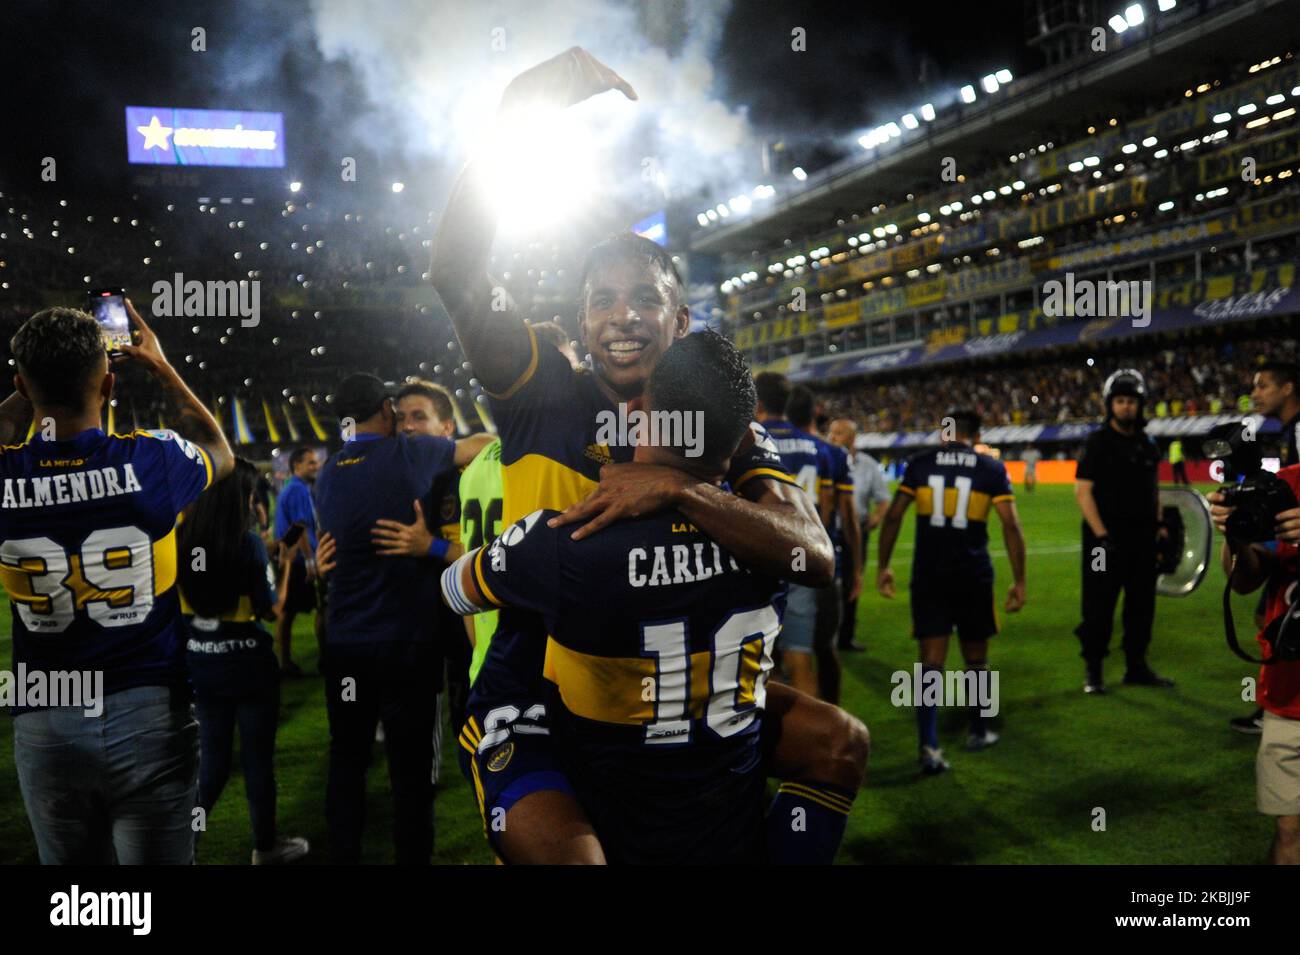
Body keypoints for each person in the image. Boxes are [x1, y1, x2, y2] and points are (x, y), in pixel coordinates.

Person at [429, 45, 865, 866]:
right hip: (545, 687)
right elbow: (454, 269)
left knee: (836, 741)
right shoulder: (538, 390)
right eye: (600, 301)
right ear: (581, 321)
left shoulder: (709, 410)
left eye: (642, 299)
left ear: (681, 317)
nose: (619, 317)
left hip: (672, 685)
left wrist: (674, 484)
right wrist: (518, 118)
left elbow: (809, 547)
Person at [443, 332, 825, 863]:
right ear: (742, 443)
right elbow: (815, 552)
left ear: (639, 412)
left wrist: (520, 561)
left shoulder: (564, 541)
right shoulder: (770, 541)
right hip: (711, 755)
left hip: (594, 752)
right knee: (840, 742)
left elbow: (456, 590)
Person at [2, 301, 233, 864]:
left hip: (46, 713)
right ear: (108, 383)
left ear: (22, 385)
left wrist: (30, 388)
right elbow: (221, 451)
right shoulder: (151, 458)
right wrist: (160, 365)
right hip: (149, 706)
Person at [312, 373, 488, 864]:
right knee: (410, 778)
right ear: (386, 410)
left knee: (346, 763)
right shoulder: (411, 454)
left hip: (345, 645)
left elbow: (333, 545)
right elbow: (487, 445)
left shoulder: (328, 471)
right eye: (402, 415)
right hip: (406, 647)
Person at [876, 409, 1027, 775]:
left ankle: (929, 745)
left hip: (930, 575)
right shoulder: (991, 469)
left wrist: (883, 565)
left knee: (931, 661)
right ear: (977, 435)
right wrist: (1020, 580)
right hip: (973, 575)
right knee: (976, 657)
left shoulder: (920, 465)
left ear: (944, 432)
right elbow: (1011, 525)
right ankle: (979, 730)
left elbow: (893, 516)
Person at [179, 457, 309, 865]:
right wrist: (285, 567)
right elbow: (273, 610)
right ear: (243, 497)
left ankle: (185, 846)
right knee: (257, 762)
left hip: (201, 665)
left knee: (211, 768)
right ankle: (265, 847)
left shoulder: (183, 535)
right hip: (249, 669)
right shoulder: (247, 542)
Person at [1207, 461, 1300, 863]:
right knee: (1288, 833)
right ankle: (982, 713)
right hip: (1289, 692)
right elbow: (1246, 580)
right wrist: (1238, 540)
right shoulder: (1287, 483)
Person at [1073, 369, 1173, 694]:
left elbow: (1154, 489)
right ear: (1109, 405)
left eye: (1131, 401)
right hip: (1103, 544)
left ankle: (1137, 666)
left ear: (1140, 404)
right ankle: (1094, 671)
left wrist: (1160, 527)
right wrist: (1102, 536)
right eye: (1120, 401)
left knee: (1142, 606)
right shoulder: (1097, 443)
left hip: (1142, 541)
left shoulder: (1148, 444)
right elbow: (1083, 492)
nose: (1126, 407)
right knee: (1098, 605)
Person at [754, 374, 834, 699]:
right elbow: (826, 512)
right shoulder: (820, 448)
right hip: (804, 555)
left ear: (755, 402)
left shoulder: (749, 439)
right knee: (801, 658)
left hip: (760, 557)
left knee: (758, 662)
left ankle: (764, 744)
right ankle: (811, 744)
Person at [1231, 360, 1300, 733]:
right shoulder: (1289, 431)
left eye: (1263, 385)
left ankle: (1273, 699)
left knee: (1272, 619)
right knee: (1268, 618)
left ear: (1287, 388)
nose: (1255, 393)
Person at [789, 385, 860, 703]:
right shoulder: (832, 454)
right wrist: (856, 569)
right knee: (825, 647)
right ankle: (832, 717)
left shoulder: (764, 445)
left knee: (780, 653)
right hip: (824, 563)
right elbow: (849, 519)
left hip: (779, 560)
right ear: (815, 414)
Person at [829, 417, 887, 653]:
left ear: (852, 438)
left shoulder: (868, 464)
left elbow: (882, 498)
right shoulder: (824, 458)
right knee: (824, 583)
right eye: (831, 432)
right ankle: (824, 636)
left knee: (853, 584)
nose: (832, 437)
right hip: (829, 531)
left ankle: (846, 637)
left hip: (856, 532)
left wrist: (874, 519)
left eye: (839, 433)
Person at [273, 447, 322, 676]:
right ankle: (285, 662)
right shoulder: (297, 489)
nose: (316, 466)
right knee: (315, 609)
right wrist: (311, 561)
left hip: (294, 559)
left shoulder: (298, 488)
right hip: (298, 561)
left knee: (293, 611)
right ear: (297, 466)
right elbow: (299, 527)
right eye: (311, 462)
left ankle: (285, 661)